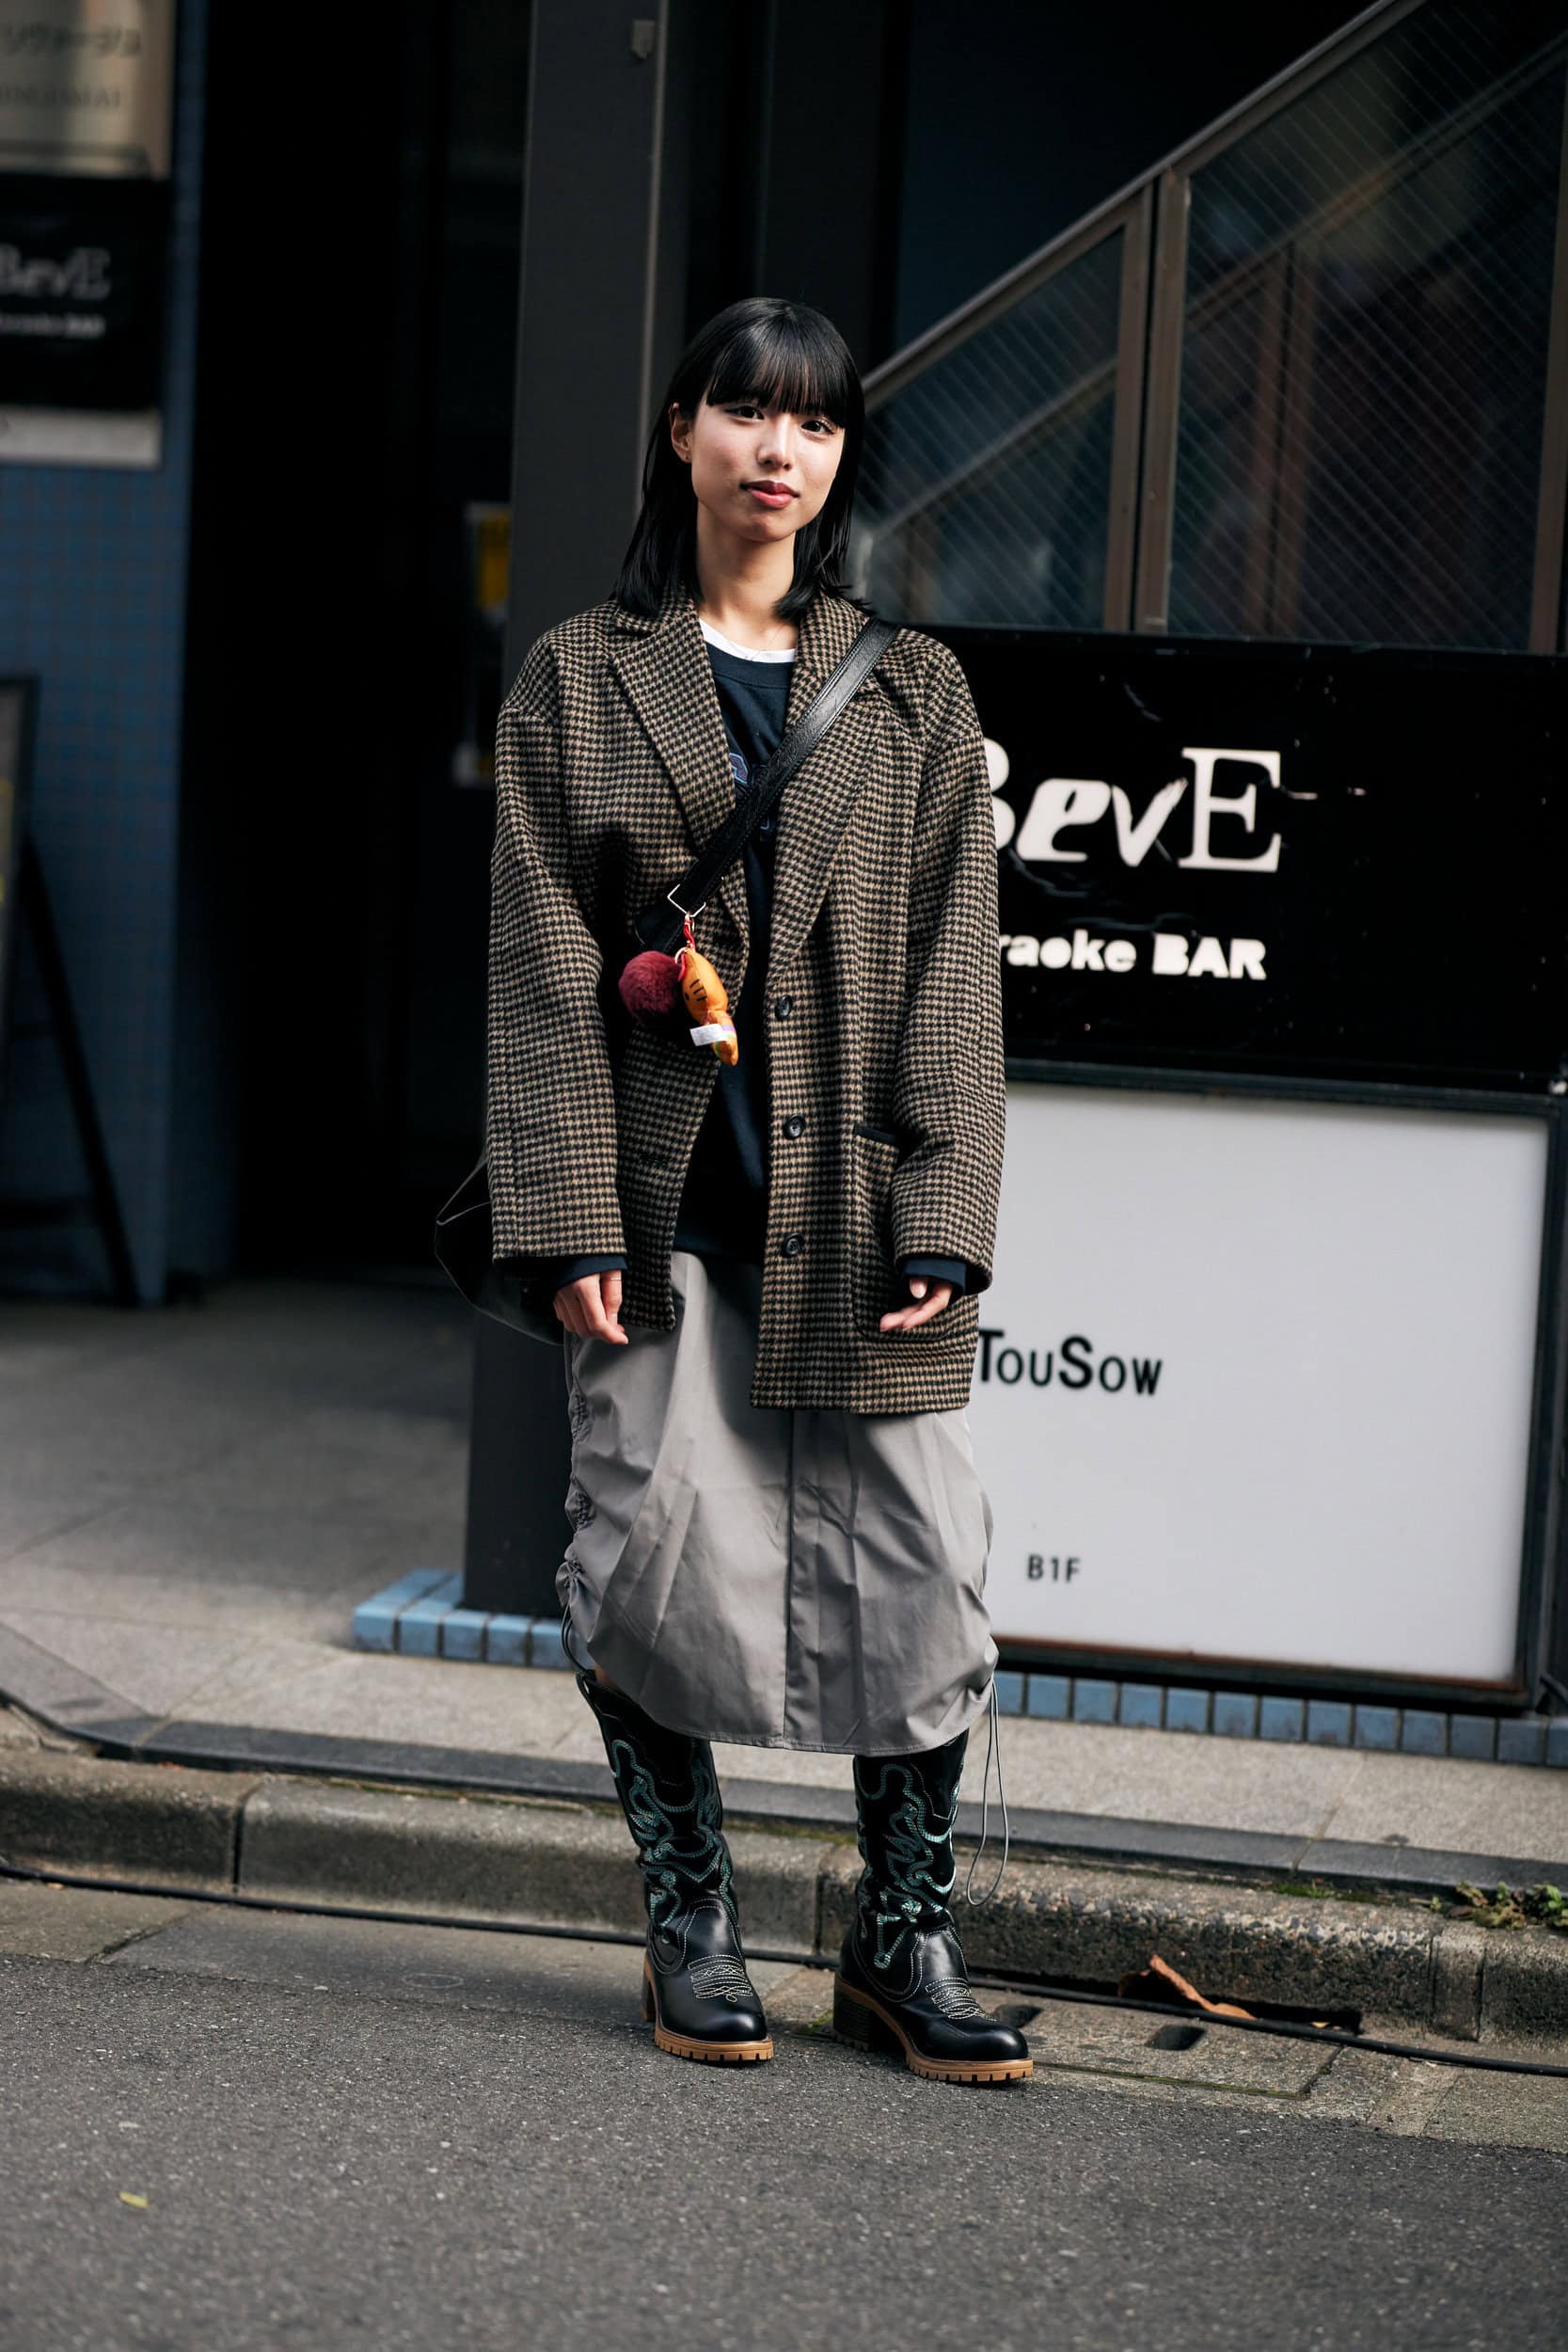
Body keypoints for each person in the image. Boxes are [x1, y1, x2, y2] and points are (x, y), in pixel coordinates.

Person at [485, 295, 1028, 2086]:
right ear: (682, 433)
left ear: (840, 457)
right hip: (666, 1218)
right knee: (645, 1565)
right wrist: (566, 1214)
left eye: (812, 422)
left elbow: (955, 975)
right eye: (743, 410)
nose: (776, 449)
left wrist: (950, 1213)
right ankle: (693, 1918)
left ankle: (901, 1934)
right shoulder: (581, 678)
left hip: (858, 1226)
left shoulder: (915, 689)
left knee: (926, 1579)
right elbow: (540, 964)